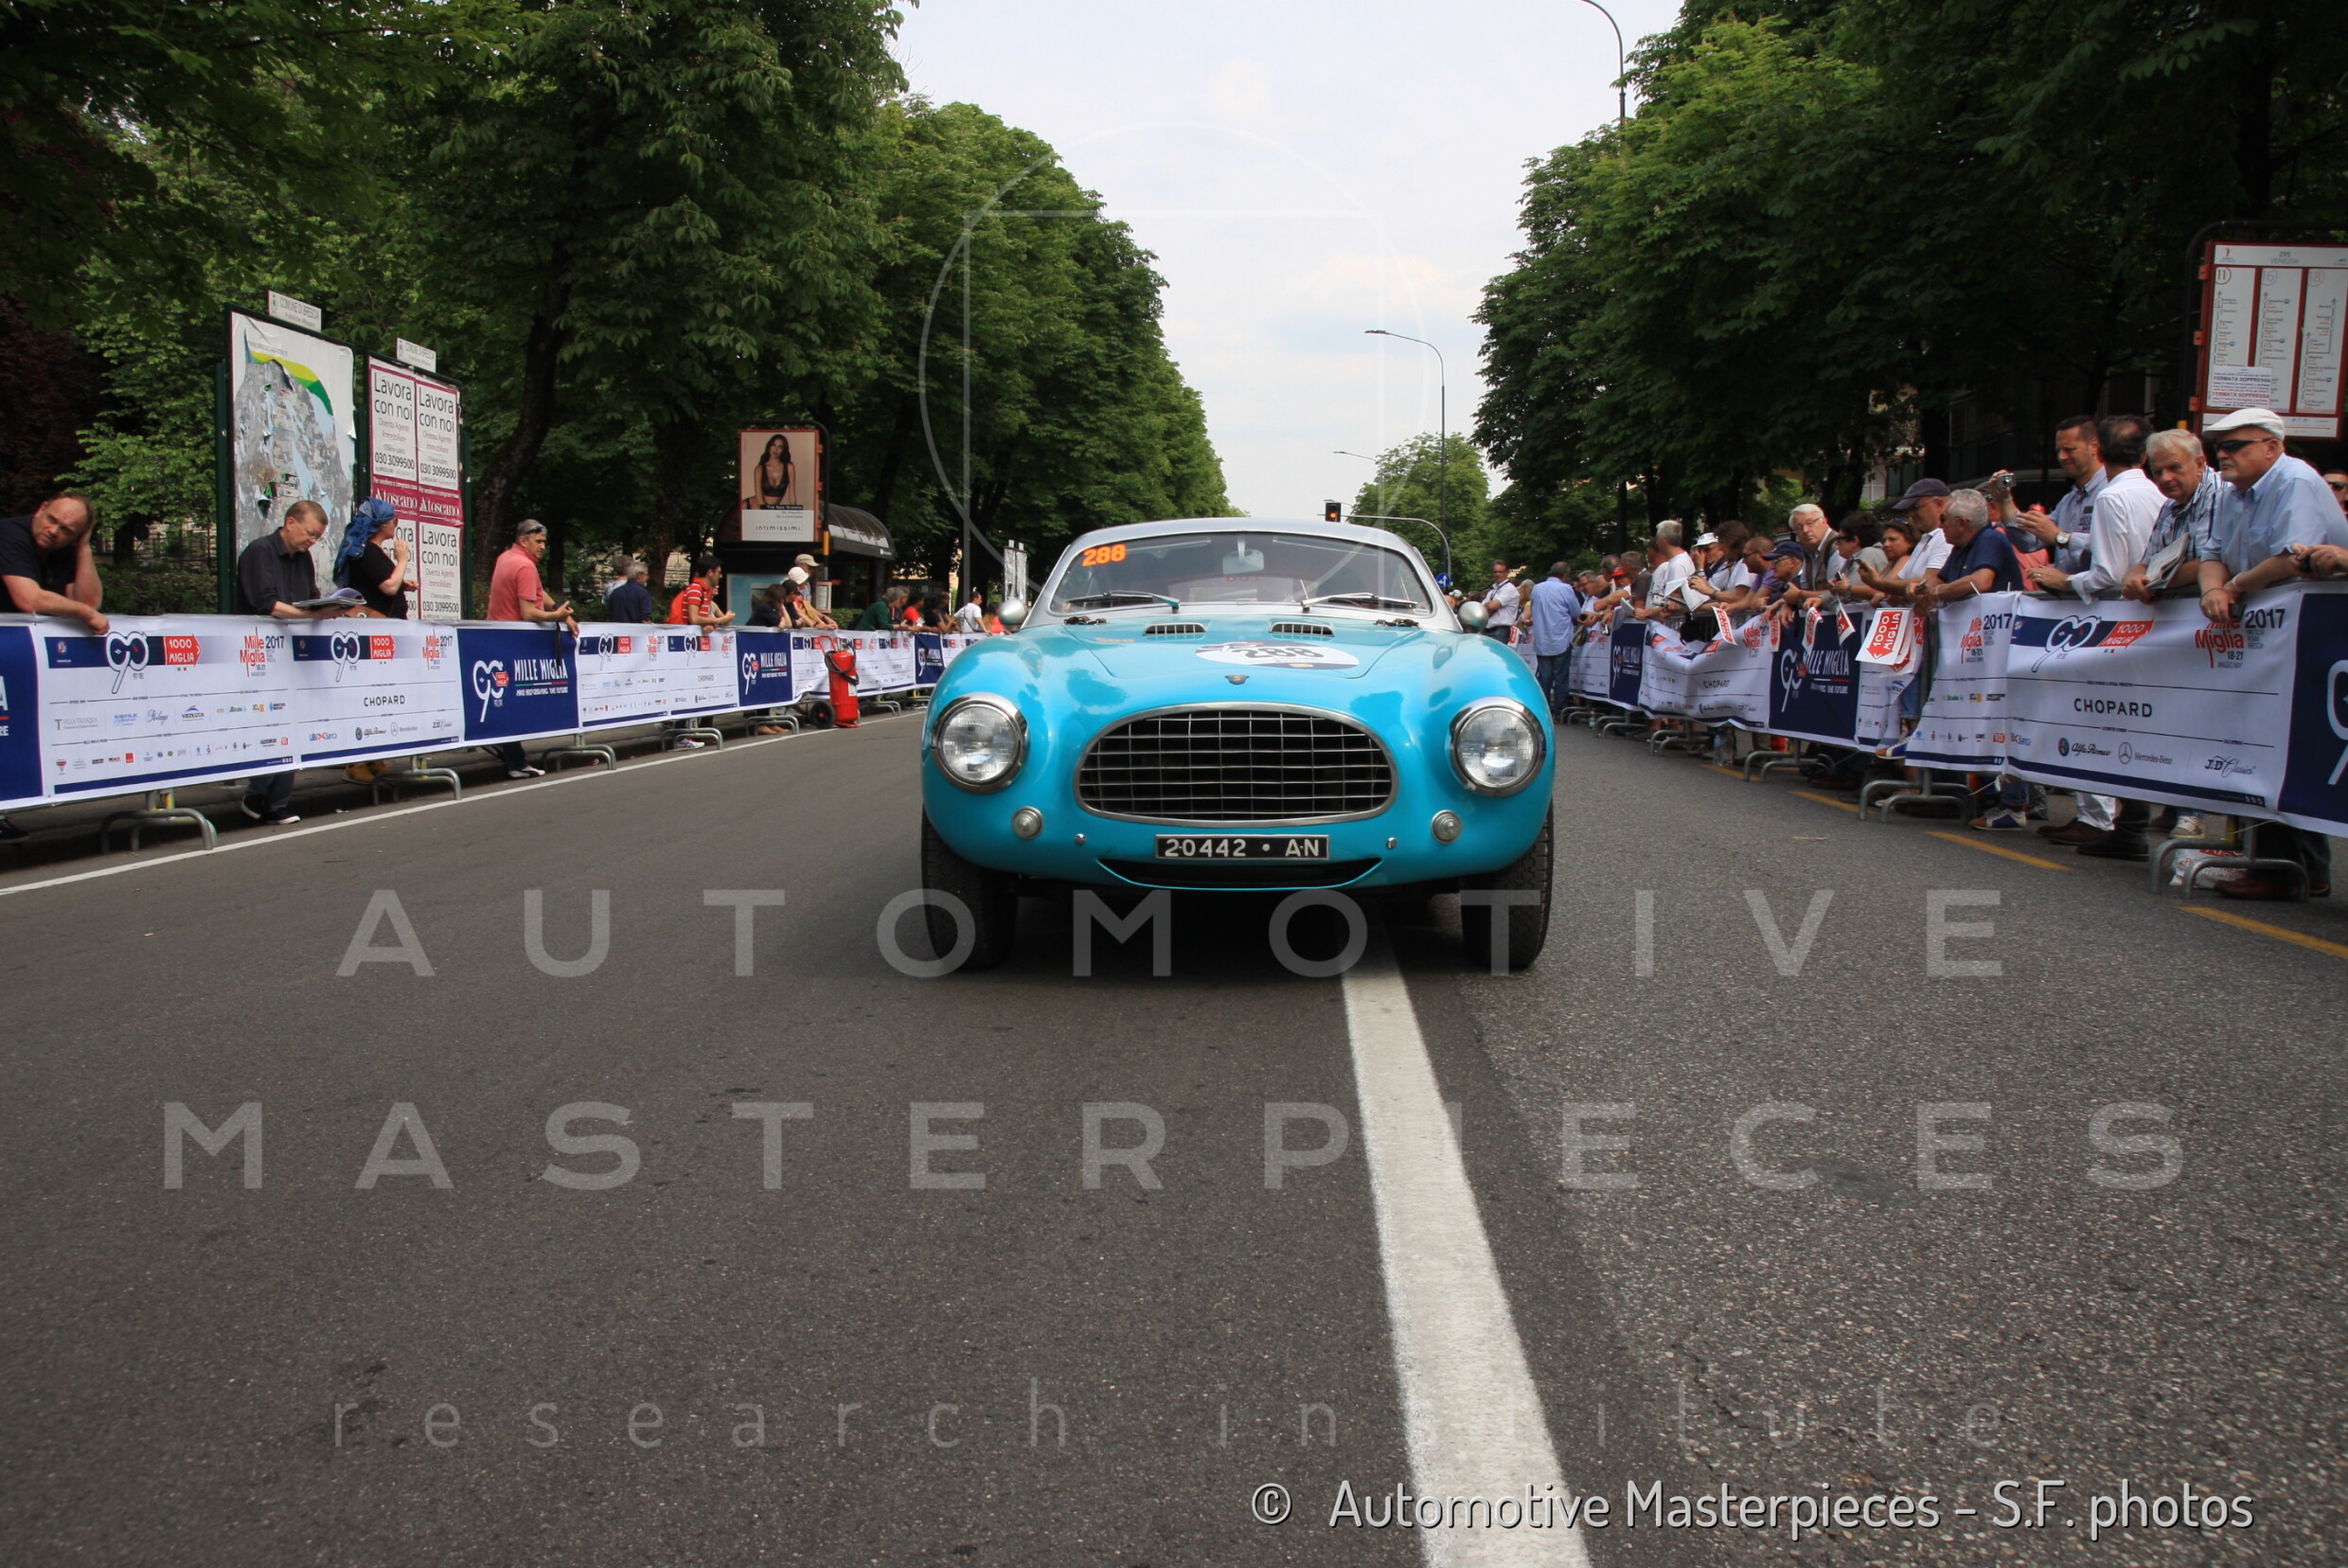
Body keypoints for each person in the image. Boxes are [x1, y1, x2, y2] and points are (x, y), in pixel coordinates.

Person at [2191, 408, 2348, 899]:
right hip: (2266, 634)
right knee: (2266, 742)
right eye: (2219, 446)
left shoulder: (2294, 481)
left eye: (2235, 445)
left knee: (2282, 743)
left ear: (2272, 447)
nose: (2223, 454)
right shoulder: (2231, 491)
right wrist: (2214, 590)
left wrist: (2234, 586)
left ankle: (2284, 869)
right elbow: (2211, 554)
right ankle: (2298, 867)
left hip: (2310, 636)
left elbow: (2290, 558)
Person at [232, 500, 361, 823]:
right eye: (309, 534)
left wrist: (326, 609)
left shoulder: (302, 558)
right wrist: (310, 615)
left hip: (293, 648)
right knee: (270, 724)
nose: (312, 542)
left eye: (317, 537)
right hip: (259, 651)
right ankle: (259, 793)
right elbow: (266, 603)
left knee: (293, 724)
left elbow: (310, 596)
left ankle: (276, 802)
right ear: (290, 523)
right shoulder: (259, 552)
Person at [2024, 415, 2161, 597]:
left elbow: (2109, 575)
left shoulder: (2109, 497)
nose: (2062, 457)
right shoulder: (2159, 494)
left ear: (2099, 453)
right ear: (2145, 456)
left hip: (2118, 607)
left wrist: (2065, 581)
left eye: (2069, 449)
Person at [2007, 416, 2104, 573]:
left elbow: (2111, 549)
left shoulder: (2112, 491)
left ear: (2094, 446)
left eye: (2069, 449)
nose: (2062, 457)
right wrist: (2005, 501)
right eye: (2058, 450)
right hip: (2067, 589)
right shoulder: (2069, 500)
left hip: (2100, 590)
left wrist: (2060, 537)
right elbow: (2030, 541)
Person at [0, 492, 106, 634]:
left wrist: (83, 546)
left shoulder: (64, 548)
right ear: (41, 509)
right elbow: (30, 601)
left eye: (66, 530)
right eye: (51, 519)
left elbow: (89, 603)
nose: (53, 531)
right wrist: (87, 613)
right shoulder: (8, 534)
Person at [489, 521, 578, 635]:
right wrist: (557, 615)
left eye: (544, 542)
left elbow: (537, 592)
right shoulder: (526, 566)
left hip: (495, 632)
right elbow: (529, 614)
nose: (543, 547)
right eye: (538, 541)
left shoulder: (505, 557)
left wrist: (563, 614)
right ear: (523, 541)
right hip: (517, 635)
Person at [1526, 561, 1581, 715]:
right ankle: (1560, 710)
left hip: (1542, 640)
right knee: (1561, 678)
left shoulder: (1537, 588)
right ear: (1565, 575)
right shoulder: (1565, 589)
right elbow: (1576, 613)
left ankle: (1543, 710)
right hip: (1560, 639)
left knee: (1544, 678)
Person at [338, 498, 409, 617]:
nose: (396, 526)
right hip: (379, 623)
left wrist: (402, 584)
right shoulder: (368, 551)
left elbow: (375, 581)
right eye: (394, 521)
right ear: (383, 524)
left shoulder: (372, 550)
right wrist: (402, 560)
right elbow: (390, 587)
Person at [668, 556, 735, 627]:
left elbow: (702, 620)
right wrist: (721, 620)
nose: (721, 576)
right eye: (718, 573)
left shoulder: (704, 591)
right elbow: (694, 619)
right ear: (710, 572)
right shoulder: (696, 589)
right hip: (686, 633)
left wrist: (710, 626)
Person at [748, 435, 794, 508]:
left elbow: (792, 495)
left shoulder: (789, 467)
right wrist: (768, 512)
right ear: (769, 446)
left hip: (771, 510)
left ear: (783, 450)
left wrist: (795, 511)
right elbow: (760, 500)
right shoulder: (759, 469)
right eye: (773, 445)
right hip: (753, 507)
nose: (775, 449)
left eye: (780, 447)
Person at [1478, 559, 1520, 640]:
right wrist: (1488, 608)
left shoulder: (1509, 589)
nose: (1497, 574)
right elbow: (1481, 609)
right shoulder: (1492, 591)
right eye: (1495, 572)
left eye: (1500, 572)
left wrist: (1488, 608)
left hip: (1500, 631)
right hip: (1488, 630)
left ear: (1507, 572)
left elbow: (1491, 606)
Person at [604, 559, 655, 623]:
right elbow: (645, 619)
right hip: (635, 628)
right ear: (640, 576)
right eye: (646, 574)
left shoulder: (615, 592)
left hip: (616, 628)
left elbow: (609, 616)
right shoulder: (643, 593)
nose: (647, 577)